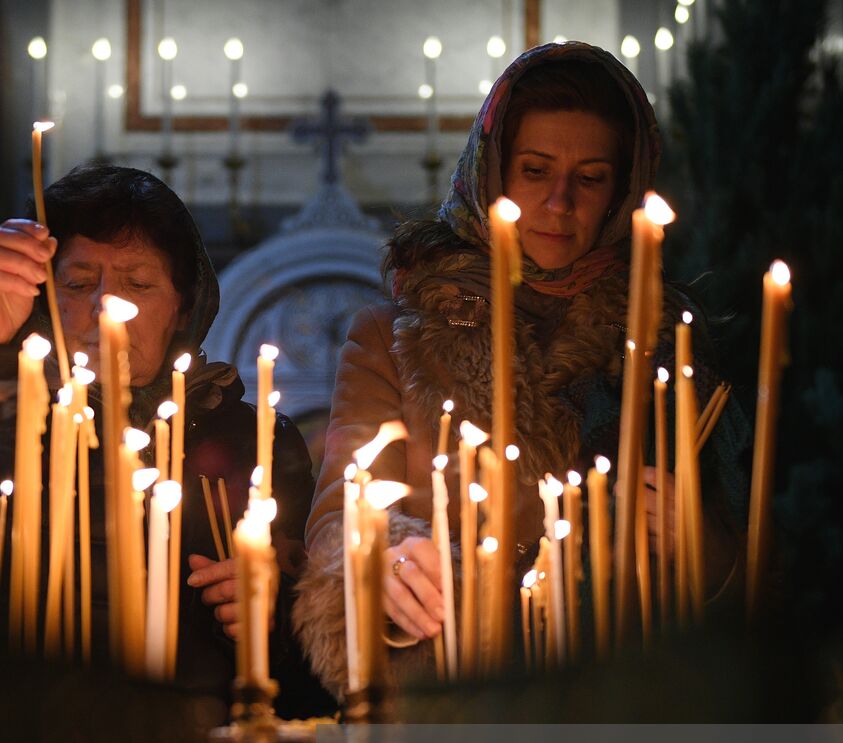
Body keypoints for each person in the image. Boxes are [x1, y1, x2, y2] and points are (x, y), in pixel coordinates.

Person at [294, 42, 750, 697]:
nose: (560, 202)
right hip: (448, 698)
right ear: (494, 173)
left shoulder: (661, 350)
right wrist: (389, 558)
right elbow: (340, 516)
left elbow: (754, 568)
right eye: (535, 170)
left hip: (620, 705)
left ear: (623, 192)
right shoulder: (395, 337)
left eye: (590, 177)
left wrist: (698, 544)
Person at [0, 165, 334, 718]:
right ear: (41, 302)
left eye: (138, 283)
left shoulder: (257, 444)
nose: (108, 305)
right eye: (79, 284)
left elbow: (317, 662)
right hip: (19, 732)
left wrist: (283, 610)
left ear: (183, 306)